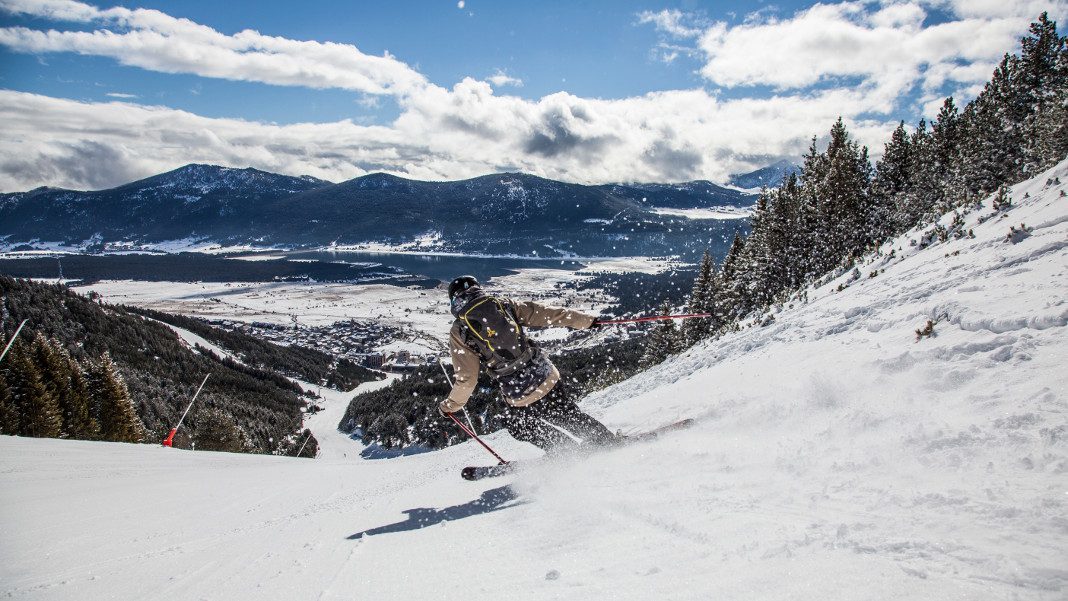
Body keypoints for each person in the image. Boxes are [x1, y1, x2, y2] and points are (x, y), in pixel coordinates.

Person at [438, 275, 617, 451]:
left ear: (454, 299)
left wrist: (450, 406)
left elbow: (467, 378)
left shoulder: (459, 330)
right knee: (567, 415)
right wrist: (587, 321)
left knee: (518, 425)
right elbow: (548, 314)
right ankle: (606, 441)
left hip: (518, 391)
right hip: (545, 374)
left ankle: (564, 451)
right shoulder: (503, 305)